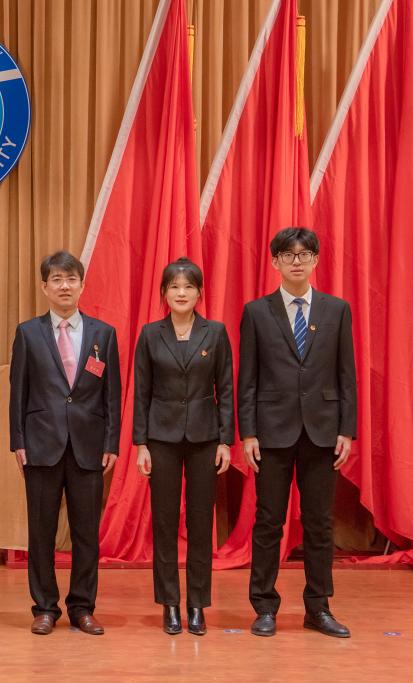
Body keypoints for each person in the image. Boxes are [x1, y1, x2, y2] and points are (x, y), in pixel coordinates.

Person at [239, 227, 357, 639]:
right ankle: (264, 606)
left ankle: (318, 608)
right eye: (287, 255)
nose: (296, 261)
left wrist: (347, 430)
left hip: (323, 432)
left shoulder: (336, 310)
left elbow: (346, 375)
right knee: (268, 521)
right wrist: (248, 433)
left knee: (319, 524)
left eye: (304, 254)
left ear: (315, 260)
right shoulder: (257, 312)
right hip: (271, 433)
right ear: (275, 262)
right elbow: (248, 378)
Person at [9, 250, 121, 636]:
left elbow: (112, 393)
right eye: (56, 279)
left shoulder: (103, 334)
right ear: (44, 287)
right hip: (41, 444)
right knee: (41, 531)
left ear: (82, 285)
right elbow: (18, 391)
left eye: (71, 279)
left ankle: (82, 607)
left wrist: (111, 442)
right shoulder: (28, 333)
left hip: (89, 446)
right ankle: (44, 607)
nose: (64, 286)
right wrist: (18, 440)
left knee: (86, 532)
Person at [132, 257, 233, 636]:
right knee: (164, 522)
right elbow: (141, 392)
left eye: (188, 286)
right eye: (174, 286)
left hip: (206, 439)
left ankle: (197, 605)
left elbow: (226, 389)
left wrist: (226, 440)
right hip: (161, 439)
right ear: (163, 293)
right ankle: (170, 603)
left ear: (199, 293)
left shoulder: (215, 332)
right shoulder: (150, 334)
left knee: (200, 523)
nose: (181, 293)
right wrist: (141, 444)